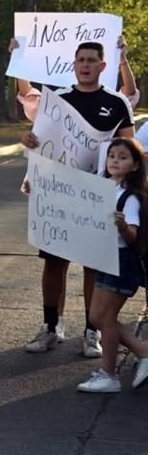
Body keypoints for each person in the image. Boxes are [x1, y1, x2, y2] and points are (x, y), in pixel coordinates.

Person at [12, 39, 134, 357]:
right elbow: (40, 141)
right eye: (80, 60)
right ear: (74, 63)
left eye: (92, 60)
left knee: (93, 265)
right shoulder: (58, 101)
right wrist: (28, 144)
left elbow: (130, 150)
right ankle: (51, 326)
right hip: (58, 194)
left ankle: (91, 331)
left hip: (98, 195)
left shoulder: (118, 103)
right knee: (54, 263)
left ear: (102, 66)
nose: (85, 65)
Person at [78, 137, 148, 393]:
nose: (115, 161)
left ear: (135, 165)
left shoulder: (131, 197)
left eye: (123, 157)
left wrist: (121, 225)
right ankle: (142, 351)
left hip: (122, 261)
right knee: (96, 317)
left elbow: (132, 235)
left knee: (105, 318)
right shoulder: (104, 188)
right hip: (105, 258)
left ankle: (109, 375)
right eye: (112, 156)